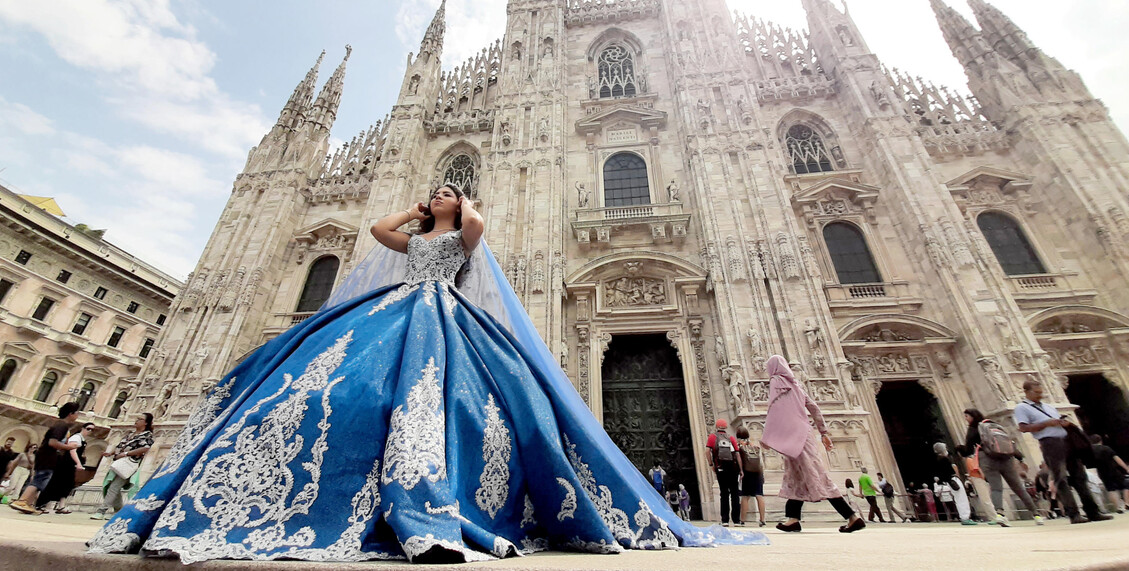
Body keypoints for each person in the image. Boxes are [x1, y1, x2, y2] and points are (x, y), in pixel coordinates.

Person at [88, 184, 765, 562]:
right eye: (437, 189)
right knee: (341, 387)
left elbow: (475, 230)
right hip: (398, 309)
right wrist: (418, 208)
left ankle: (434, 499)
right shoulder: (412, 236)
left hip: (445, 315)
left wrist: (461, 199)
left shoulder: (464, 230)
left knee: (451, 403)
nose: (440, 194)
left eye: (447, 190)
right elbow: (379, 230)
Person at [761, 355, 863, 533]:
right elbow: (814, 407)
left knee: (816, 475)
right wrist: (823, 432)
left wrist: (768, 436)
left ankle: (851, 516)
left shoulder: (777, 381)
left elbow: (774, 409)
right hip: (804, 432)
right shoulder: (796, 385)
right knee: (796, 475)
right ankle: (792, 519)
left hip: (794, 435)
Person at [1014, 380, 1112, 524]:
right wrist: (1046, 424)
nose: (1040, 395)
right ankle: (1073, 514)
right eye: (1036, 393)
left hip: (1067, 440)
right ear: (1027, 392)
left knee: (1080, 476)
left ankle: (1093, 511)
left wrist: (1063, 423)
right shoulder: (1022, 408)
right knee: (1060, 478)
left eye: (1041, 392)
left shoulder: (1048, 406)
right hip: (1050, 443)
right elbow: (1023, 428)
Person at [959, 408, 1043, 526]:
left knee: (996, 488)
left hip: (987, 459)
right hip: (1006, 458)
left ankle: (1000, 515)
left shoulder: (973, 429)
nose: (966, 419)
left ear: (972, 417)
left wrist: (959, 449)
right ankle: (1037, 515)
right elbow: (1007, 441)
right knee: (1018, 487)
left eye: (966, 417)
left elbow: (967, 450)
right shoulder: (993, 424)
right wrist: (1020, 458)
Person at [10, 402, 80, 514]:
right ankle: (22, 500)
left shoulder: (60, 425)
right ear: (70, 413)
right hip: (47, 456)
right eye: (77, 413)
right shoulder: (61, 426)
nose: (77, 416)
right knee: (40, 479)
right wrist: (68, 446)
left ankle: (28, 504)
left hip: (47, 456)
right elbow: (53, 442)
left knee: (42, 480)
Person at [91, 413, 154, 520]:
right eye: (137, 418)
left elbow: (145, 448)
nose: (137, 420)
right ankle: (118, 511)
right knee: (110, 484)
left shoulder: (147, 436)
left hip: (129, 464)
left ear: (146, 423)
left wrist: (126, 454)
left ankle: (101, 510)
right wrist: (110, 453)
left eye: (140, 419)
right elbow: (120, 445)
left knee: (114, 486)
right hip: (119, 462)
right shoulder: (130, 434)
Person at [37, 422, 92, 514]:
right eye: (88, 428)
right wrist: (78, 463)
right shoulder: (76, 437)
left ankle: (61, 506)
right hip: (65, 464)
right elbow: (72, 451)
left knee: (67, 484)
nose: (90, 431)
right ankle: (42, 504)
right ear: (83, 428)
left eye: (92, 430)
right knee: (55, 483)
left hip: (70, 465)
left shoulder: (82, 440)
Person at [706, 418, 743, 526]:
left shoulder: (713, 437)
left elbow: (707, 451)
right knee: (735, 493)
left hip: (721, 467)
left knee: (724, 493)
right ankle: (736, 520)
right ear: (726, 427)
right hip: (733, 468)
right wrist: (741, 470)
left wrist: (711, 464)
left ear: (716, 427)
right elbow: (737, 454)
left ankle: (725, 520)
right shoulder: (731, 438)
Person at [932, 443, 975, 525]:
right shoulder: (944, 459)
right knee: (961, 498)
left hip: (950, 480)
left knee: (959, 498)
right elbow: (949, 471)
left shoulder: (938, 459)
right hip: (953, 479)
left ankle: (964, 516)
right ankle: (965, 517)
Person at [734, 425, 766, 527]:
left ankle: (742, 520)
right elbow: (761, 461)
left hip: (747, 473)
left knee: (745, 496)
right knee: (759, 495)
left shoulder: (740, 446)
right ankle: (762, 519)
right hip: (758, 472)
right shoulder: (754, 446)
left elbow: (738, 459)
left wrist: (740, 471)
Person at [1090, 435, 1129, 512]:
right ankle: (1127, 503)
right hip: (1113, 470)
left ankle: (1118, 507)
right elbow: (1117, 459)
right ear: (1100, 440)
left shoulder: (1090, 450)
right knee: (1126, 485)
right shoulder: (1106, 448)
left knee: (1111, 489)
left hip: (1101, 472)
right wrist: (1126, 468)